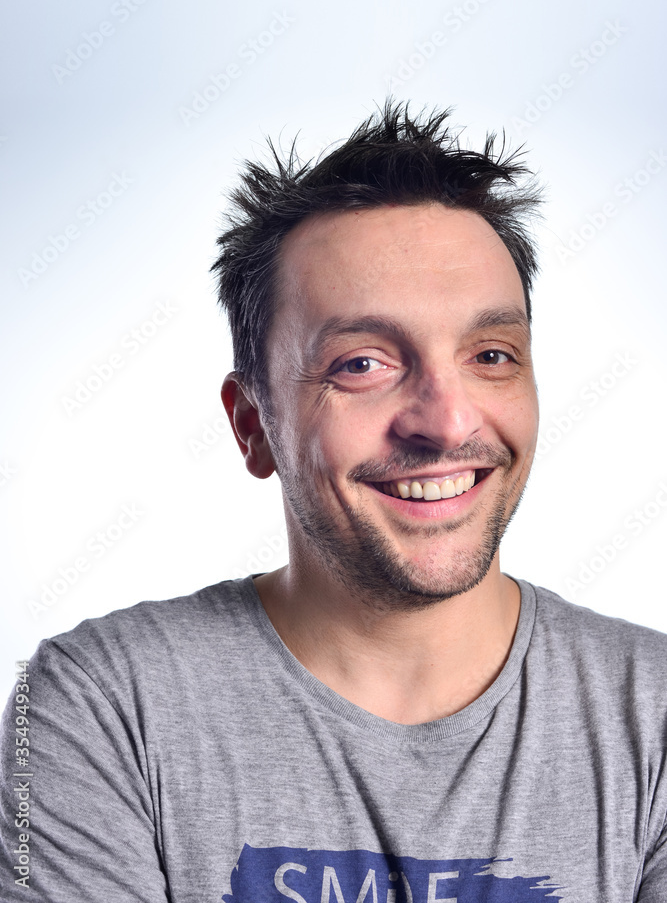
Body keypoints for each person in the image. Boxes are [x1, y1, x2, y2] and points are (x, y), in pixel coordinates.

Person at [1, 102, 666, 902]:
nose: (448, 421)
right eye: (362, 364)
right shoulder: (99, 705)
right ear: (253, 425)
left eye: (490, 355)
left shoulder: (651, 715)